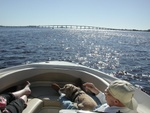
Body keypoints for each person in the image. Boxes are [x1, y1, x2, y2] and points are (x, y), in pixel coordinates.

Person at [52, 80, 138, 113]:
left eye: (106, 93)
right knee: (90, 96)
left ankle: (61, 93)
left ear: (116, 101)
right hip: (100, 107)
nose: (104, 93)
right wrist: (95, 90)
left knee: (67, 103)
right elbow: (108, 102)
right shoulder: (125, 105)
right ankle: (79, 90)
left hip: (91, 111)